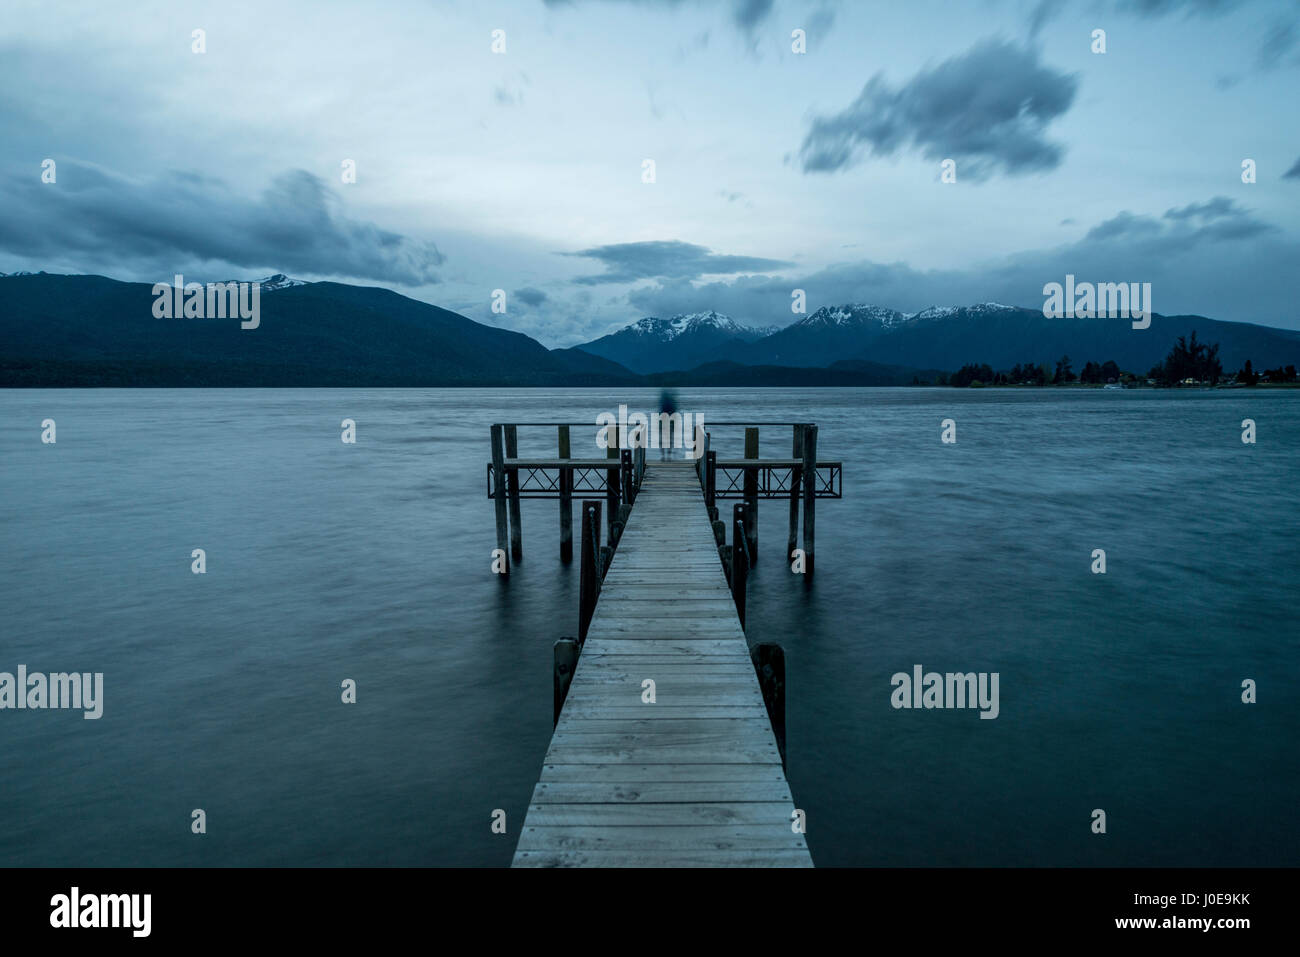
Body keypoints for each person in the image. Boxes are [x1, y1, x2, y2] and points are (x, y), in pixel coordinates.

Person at [658, 389, 678, 460]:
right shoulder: (671, 402)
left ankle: (663, 455)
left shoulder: (663, 402)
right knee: (669, 439)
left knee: (663, 439)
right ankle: (668, 455)